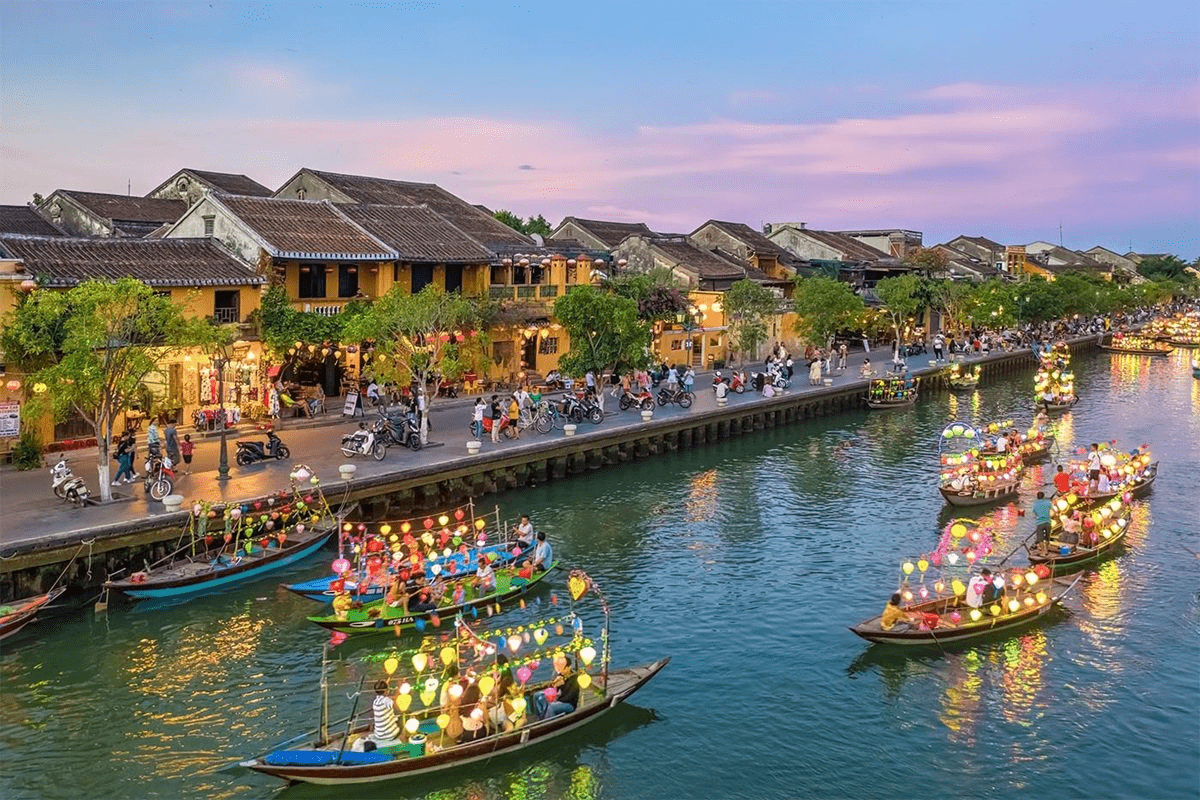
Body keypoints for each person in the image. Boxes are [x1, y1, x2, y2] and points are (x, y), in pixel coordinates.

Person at [534, 655, 581, 720]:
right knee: (538, 695)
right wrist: (554, 685)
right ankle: (542, 717)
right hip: (558, 699)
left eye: (563, 669)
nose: (561, 671)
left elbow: (570, 696)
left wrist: (556, 700)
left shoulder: (574, 678)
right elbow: (551, 690)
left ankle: (549, 722)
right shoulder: (560, 676)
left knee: (551, 707)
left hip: (569, 704)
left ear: (568, 667)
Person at [371, 680, 401, 744]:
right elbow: (397, 705)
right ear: (386, 691)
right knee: (401, 719)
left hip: (378, 735)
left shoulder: (375, 701)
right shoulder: (386, 701)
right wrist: (398, 688)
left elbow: (388, 699)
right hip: (389, 735)